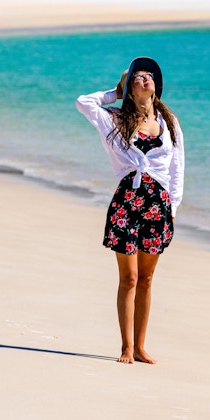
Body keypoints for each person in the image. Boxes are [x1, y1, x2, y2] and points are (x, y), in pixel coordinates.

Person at [75, 56, 184, 364]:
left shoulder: (169, 123)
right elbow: (83, 102)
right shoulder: (113, 120)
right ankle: (126, 347)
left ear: (156, 87)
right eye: (137, 75)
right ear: (129, 86)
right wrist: (115, 91)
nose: (144, 78)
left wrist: (173, 206)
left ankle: (140, 346)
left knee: (148, 279)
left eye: (149, 75)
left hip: (158, 204)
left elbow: (177, 167)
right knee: (130, 278)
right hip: (127, 202)